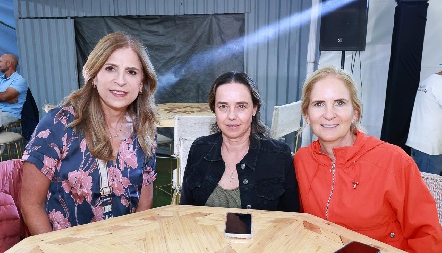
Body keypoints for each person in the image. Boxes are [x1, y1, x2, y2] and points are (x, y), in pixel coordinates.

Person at [20, 32, 159, 235]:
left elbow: (144, 203)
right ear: (94, 76)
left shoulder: (144, 131)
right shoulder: (59, 125)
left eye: (131, 72)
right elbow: (31, 205)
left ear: (141, 83)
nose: (120, 81)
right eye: (110, 68)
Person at [294, 66, 442, 253]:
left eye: (339, 103)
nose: (329, 114)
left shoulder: (393, 161)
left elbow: (427, 235)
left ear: (355, 112)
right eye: (319, 104)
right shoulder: (301, 160)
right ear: (306, 114)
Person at [180, 71, 300, 212]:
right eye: (223, 106)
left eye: (241, 106)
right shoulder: (199, 149)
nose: (231, 116)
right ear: (214, 109)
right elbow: (185, 212)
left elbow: (291, 219)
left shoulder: (280, 156)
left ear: (254, 108)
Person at [406, 71, 442, 175]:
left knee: (420, 184)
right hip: (430, 149)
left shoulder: (429, 80)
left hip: (420, 144)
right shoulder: (440, 83)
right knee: (429, 188)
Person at [0, 54, 28, 127]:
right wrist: (5, 97)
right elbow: (4, 97)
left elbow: (4, 96)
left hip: (8, 114)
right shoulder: (0, 79)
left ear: (9, 64)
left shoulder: (19, 80)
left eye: (0, 62)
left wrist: (5, 97)